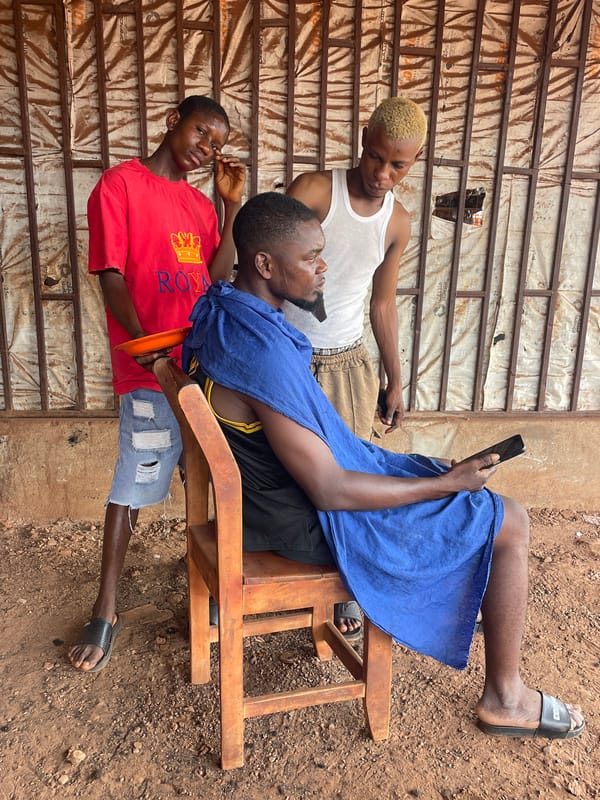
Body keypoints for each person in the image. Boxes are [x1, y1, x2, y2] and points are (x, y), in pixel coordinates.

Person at [183, 192, 584, 740]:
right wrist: (443, 484)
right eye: (310, 258)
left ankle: (494, 658)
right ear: (265, 264)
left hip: (267, 503)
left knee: (434, 479)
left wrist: (430, 476)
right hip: (300, 522)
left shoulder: (222, 312)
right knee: (508, 519)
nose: (324, 267)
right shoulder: (264, 353)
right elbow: (327, 489)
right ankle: (505, 697)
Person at [68, 95, 246, 673]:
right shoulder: (119, 186)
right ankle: (107, 607)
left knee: (212, 478)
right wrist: (150, 350)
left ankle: (212, 594)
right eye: (201, 133)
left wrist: (232, 208)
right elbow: (111, 277)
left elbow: (216, 278)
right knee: (135, 481)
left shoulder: (200, 204)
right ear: (173, 121)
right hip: (148, 368)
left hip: (199, 368)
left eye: (217, 144)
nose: (207, 150)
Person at [283, 96, 426, 441]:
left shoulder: (396, 222)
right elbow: (268, 271)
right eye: (375, 156)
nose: (381, 174)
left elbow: (383, 304)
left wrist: (395, 380)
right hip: (287, 352)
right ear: (364, 138)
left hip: (346, 364)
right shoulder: (313, 192)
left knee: (344, 473)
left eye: (397, 165)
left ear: (415, 160)